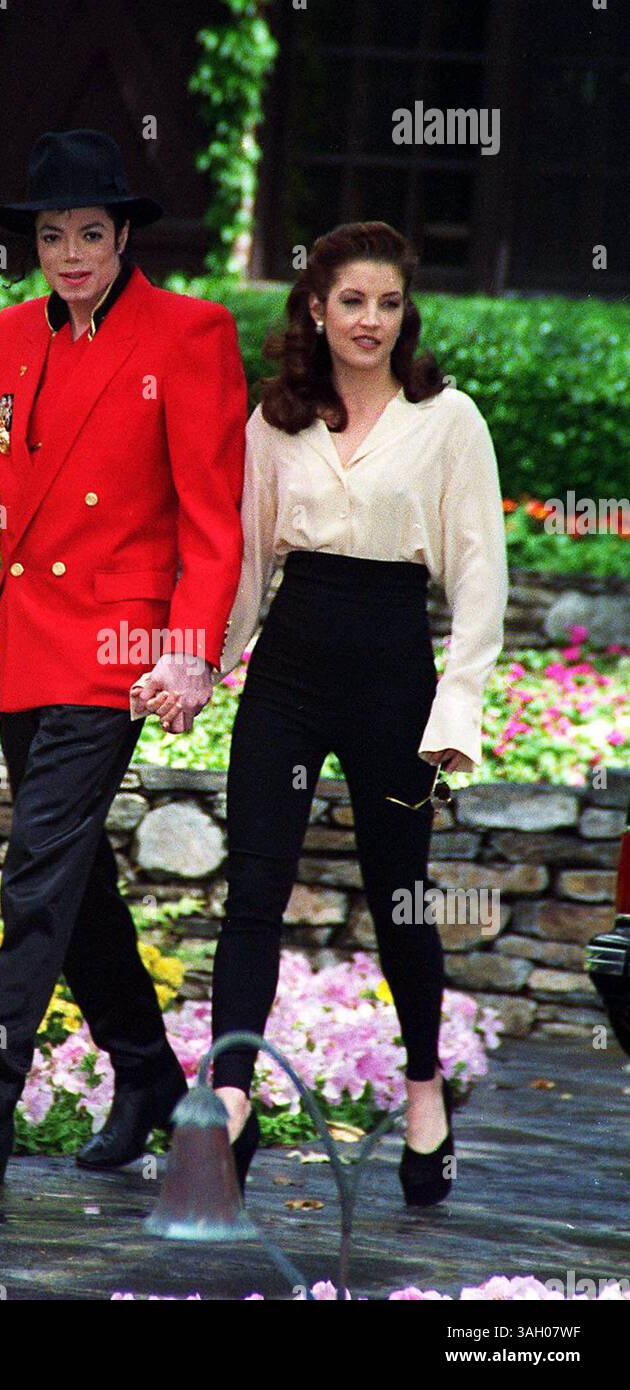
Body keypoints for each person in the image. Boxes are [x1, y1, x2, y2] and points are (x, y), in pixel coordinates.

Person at [0, 129, 248, 1189]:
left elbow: (214, 520)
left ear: (122, 237)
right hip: (30, 647)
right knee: (71, 882)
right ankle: (150, 1073)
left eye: (91, 234)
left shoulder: (189, 333)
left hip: (118, 655)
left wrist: (192, 652)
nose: (71, 254)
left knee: (34, 877)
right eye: (54, 235)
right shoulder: (13, 333)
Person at [197, 220, 508, 1206]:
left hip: (391, 671)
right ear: (316, 310)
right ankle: (231, 1097)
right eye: (350, 302)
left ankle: (425, 1088)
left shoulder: (448, 419)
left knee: (397, 896)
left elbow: (480, 576)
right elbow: (245, 566)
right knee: (252, 888)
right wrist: (203, 663)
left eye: (386, 302)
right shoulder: (273, 421)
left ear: (403, 311)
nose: (369, 320)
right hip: (288, 667)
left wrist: (454, 708)